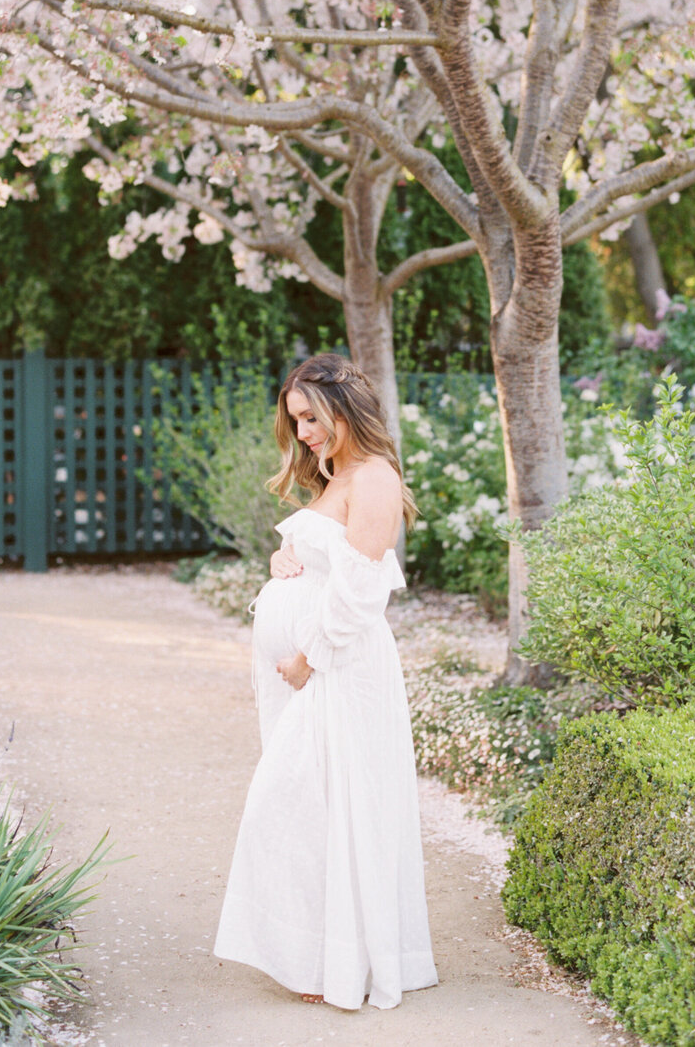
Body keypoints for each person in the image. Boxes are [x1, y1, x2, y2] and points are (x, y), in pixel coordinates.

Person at [213, 353, 438, 1010]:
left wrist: (306, 660)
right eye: (297, 420)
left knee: (303, 805)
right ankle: (317, 956)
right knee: (311, 811)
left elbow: (364, 590)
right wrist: (286, 557)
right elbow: (326, 557)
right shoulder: (337, 473)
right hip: (310, 673)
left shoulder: (374, 477)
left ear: (345, 406)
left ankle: (340, 961)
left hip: (337, 672)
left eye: (311, 417)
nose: (304, 432)